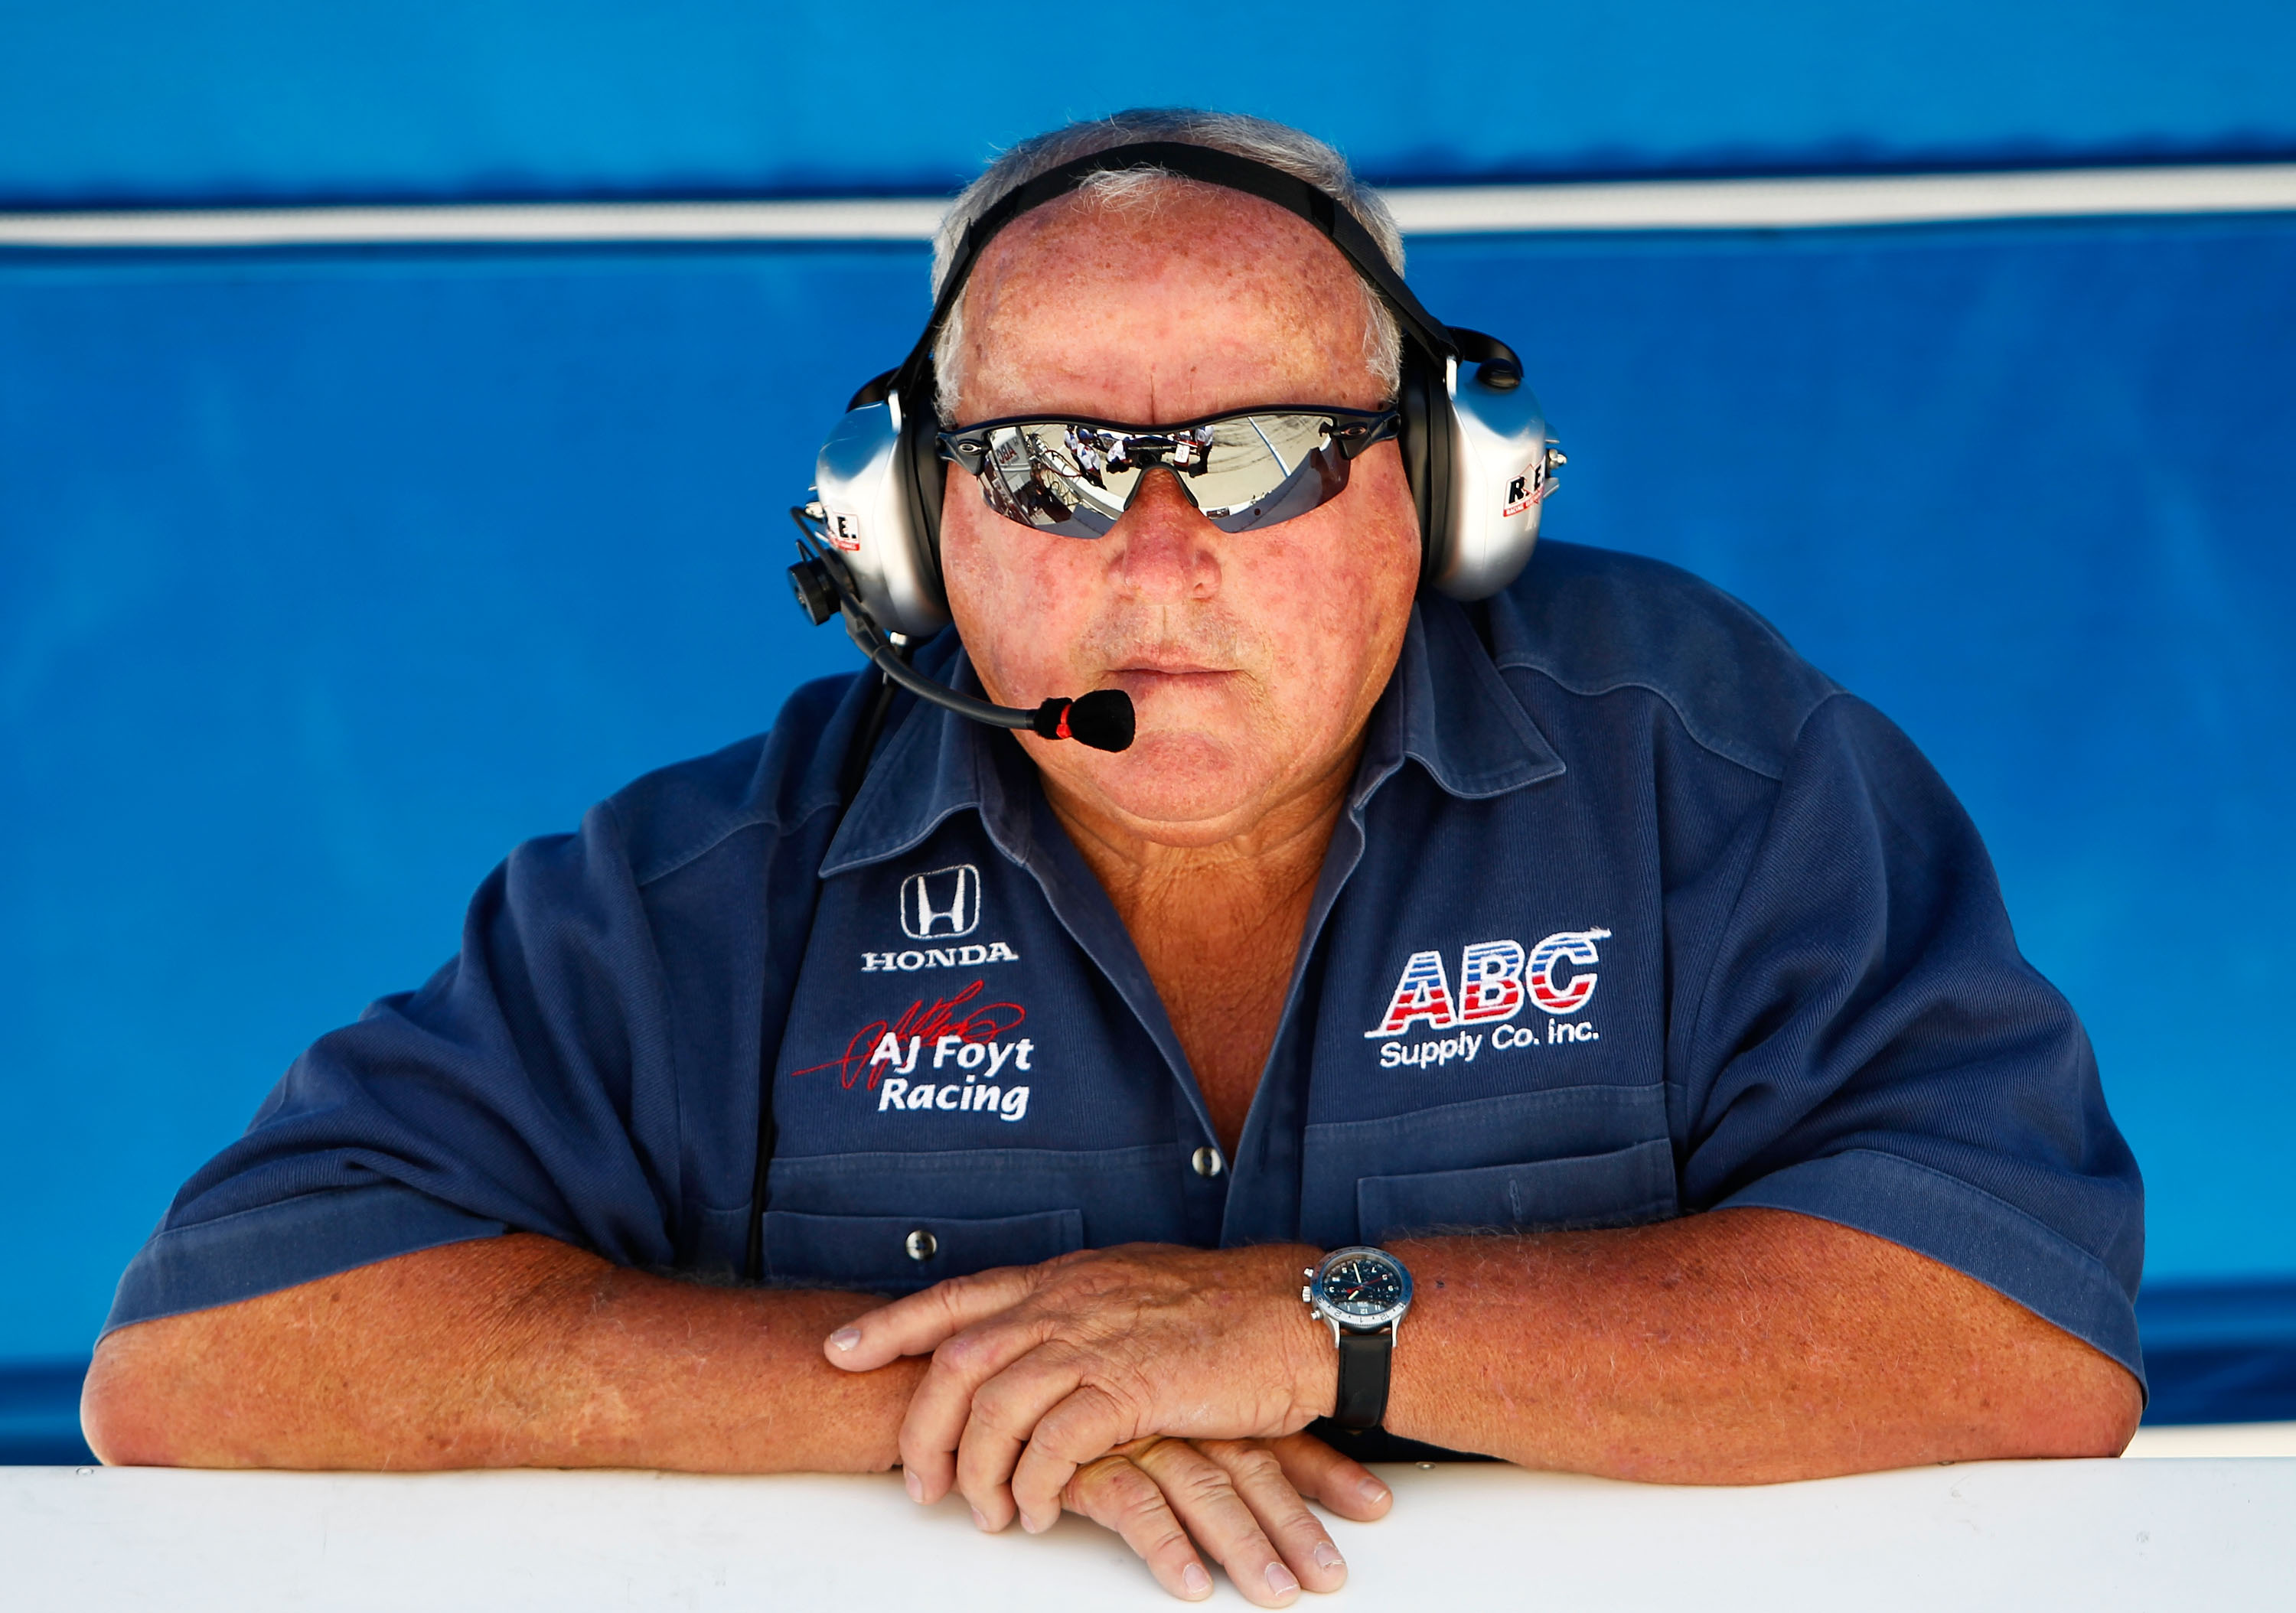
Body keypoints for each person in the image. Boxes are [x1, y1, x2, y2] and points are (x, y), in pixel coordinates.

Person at [82, 110, 2143, 1607]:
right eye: (1050, 467)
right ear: (905, 534)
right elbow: (211, 1361)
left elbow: (2012, 1340)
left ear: (1441, 498)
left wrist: (1309, 1322)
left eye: (1259, 458)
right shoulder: (707, 885)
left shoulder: (1718, 767)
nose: (1159, 559)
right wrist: (1018, 1388)